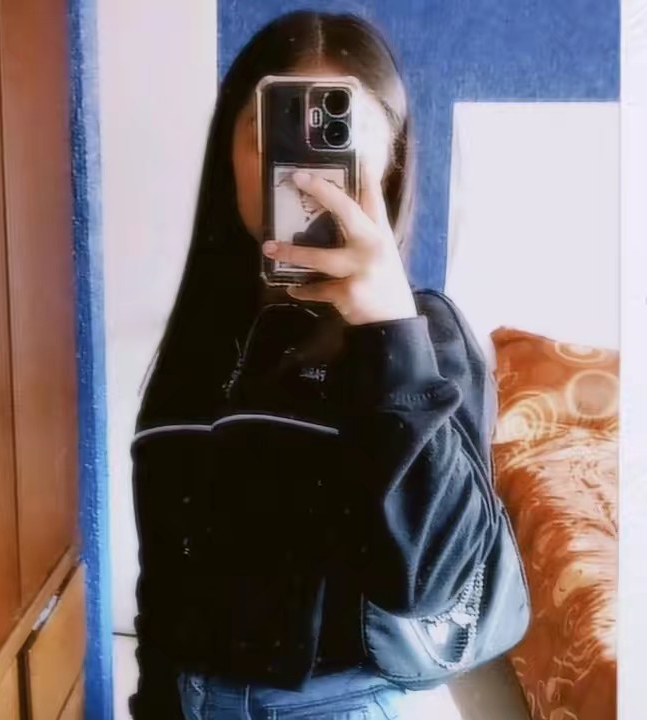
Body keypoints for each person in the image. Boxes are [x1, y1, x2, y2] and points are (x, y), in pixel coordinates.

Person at [130, 10, 501, 720]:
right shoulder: (204, 338)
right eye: (272, 132)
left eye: (334, 136)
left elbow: (434, 579)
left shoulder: (429, 338)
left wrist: (389, 330)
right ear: (228, 154)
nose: (302, 171)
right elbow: (166, 578)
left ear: (390, 159)